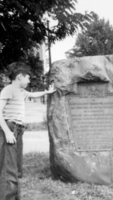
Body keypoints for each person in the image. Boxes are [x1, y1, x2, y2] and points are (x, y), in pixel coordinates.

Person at [0, 62, 56, 200]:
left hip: (18, 129)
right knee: (9, 168)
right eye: (28, 78)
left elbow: (33, 94)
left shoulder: (21, 92)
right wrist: (7, 132)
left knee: (17, 167)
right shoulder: (8, 90)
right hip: (10, 127)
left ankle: (14, 195)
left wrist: (47, 92)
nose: (29, 80)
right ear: (20, 77)